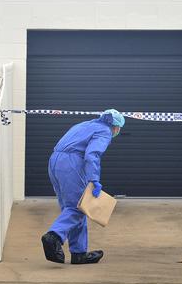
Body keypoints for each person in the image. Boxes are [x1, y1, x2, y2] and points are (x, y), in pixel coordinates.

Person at [41, 109, 125, 264]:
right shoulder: (104, 131)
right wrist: (94, 179)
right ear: (115, 126)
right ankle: (53, 236)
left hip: (55, 161)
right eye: (119, 128)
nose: (117, 131)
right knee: (77, 208)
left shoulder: (85, 124)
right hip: (71, 164)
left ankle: (78, 253)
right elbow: (92, 154)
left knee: (74, 207)